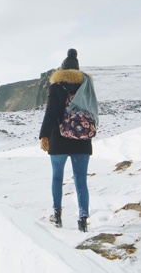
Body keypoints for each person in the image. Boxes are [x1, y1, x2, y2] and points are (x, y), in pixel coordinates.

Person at [39, 48, 98, 232]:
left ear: (62, 69)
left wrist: (44, 135)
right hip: (82, 140)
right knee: (81, 180)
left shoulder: (57, 86)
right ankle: (83, 220)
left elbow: (51, 113)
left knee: (57, 177)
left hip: (59, 139)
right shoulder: (86, 86)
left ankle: (57, 216)